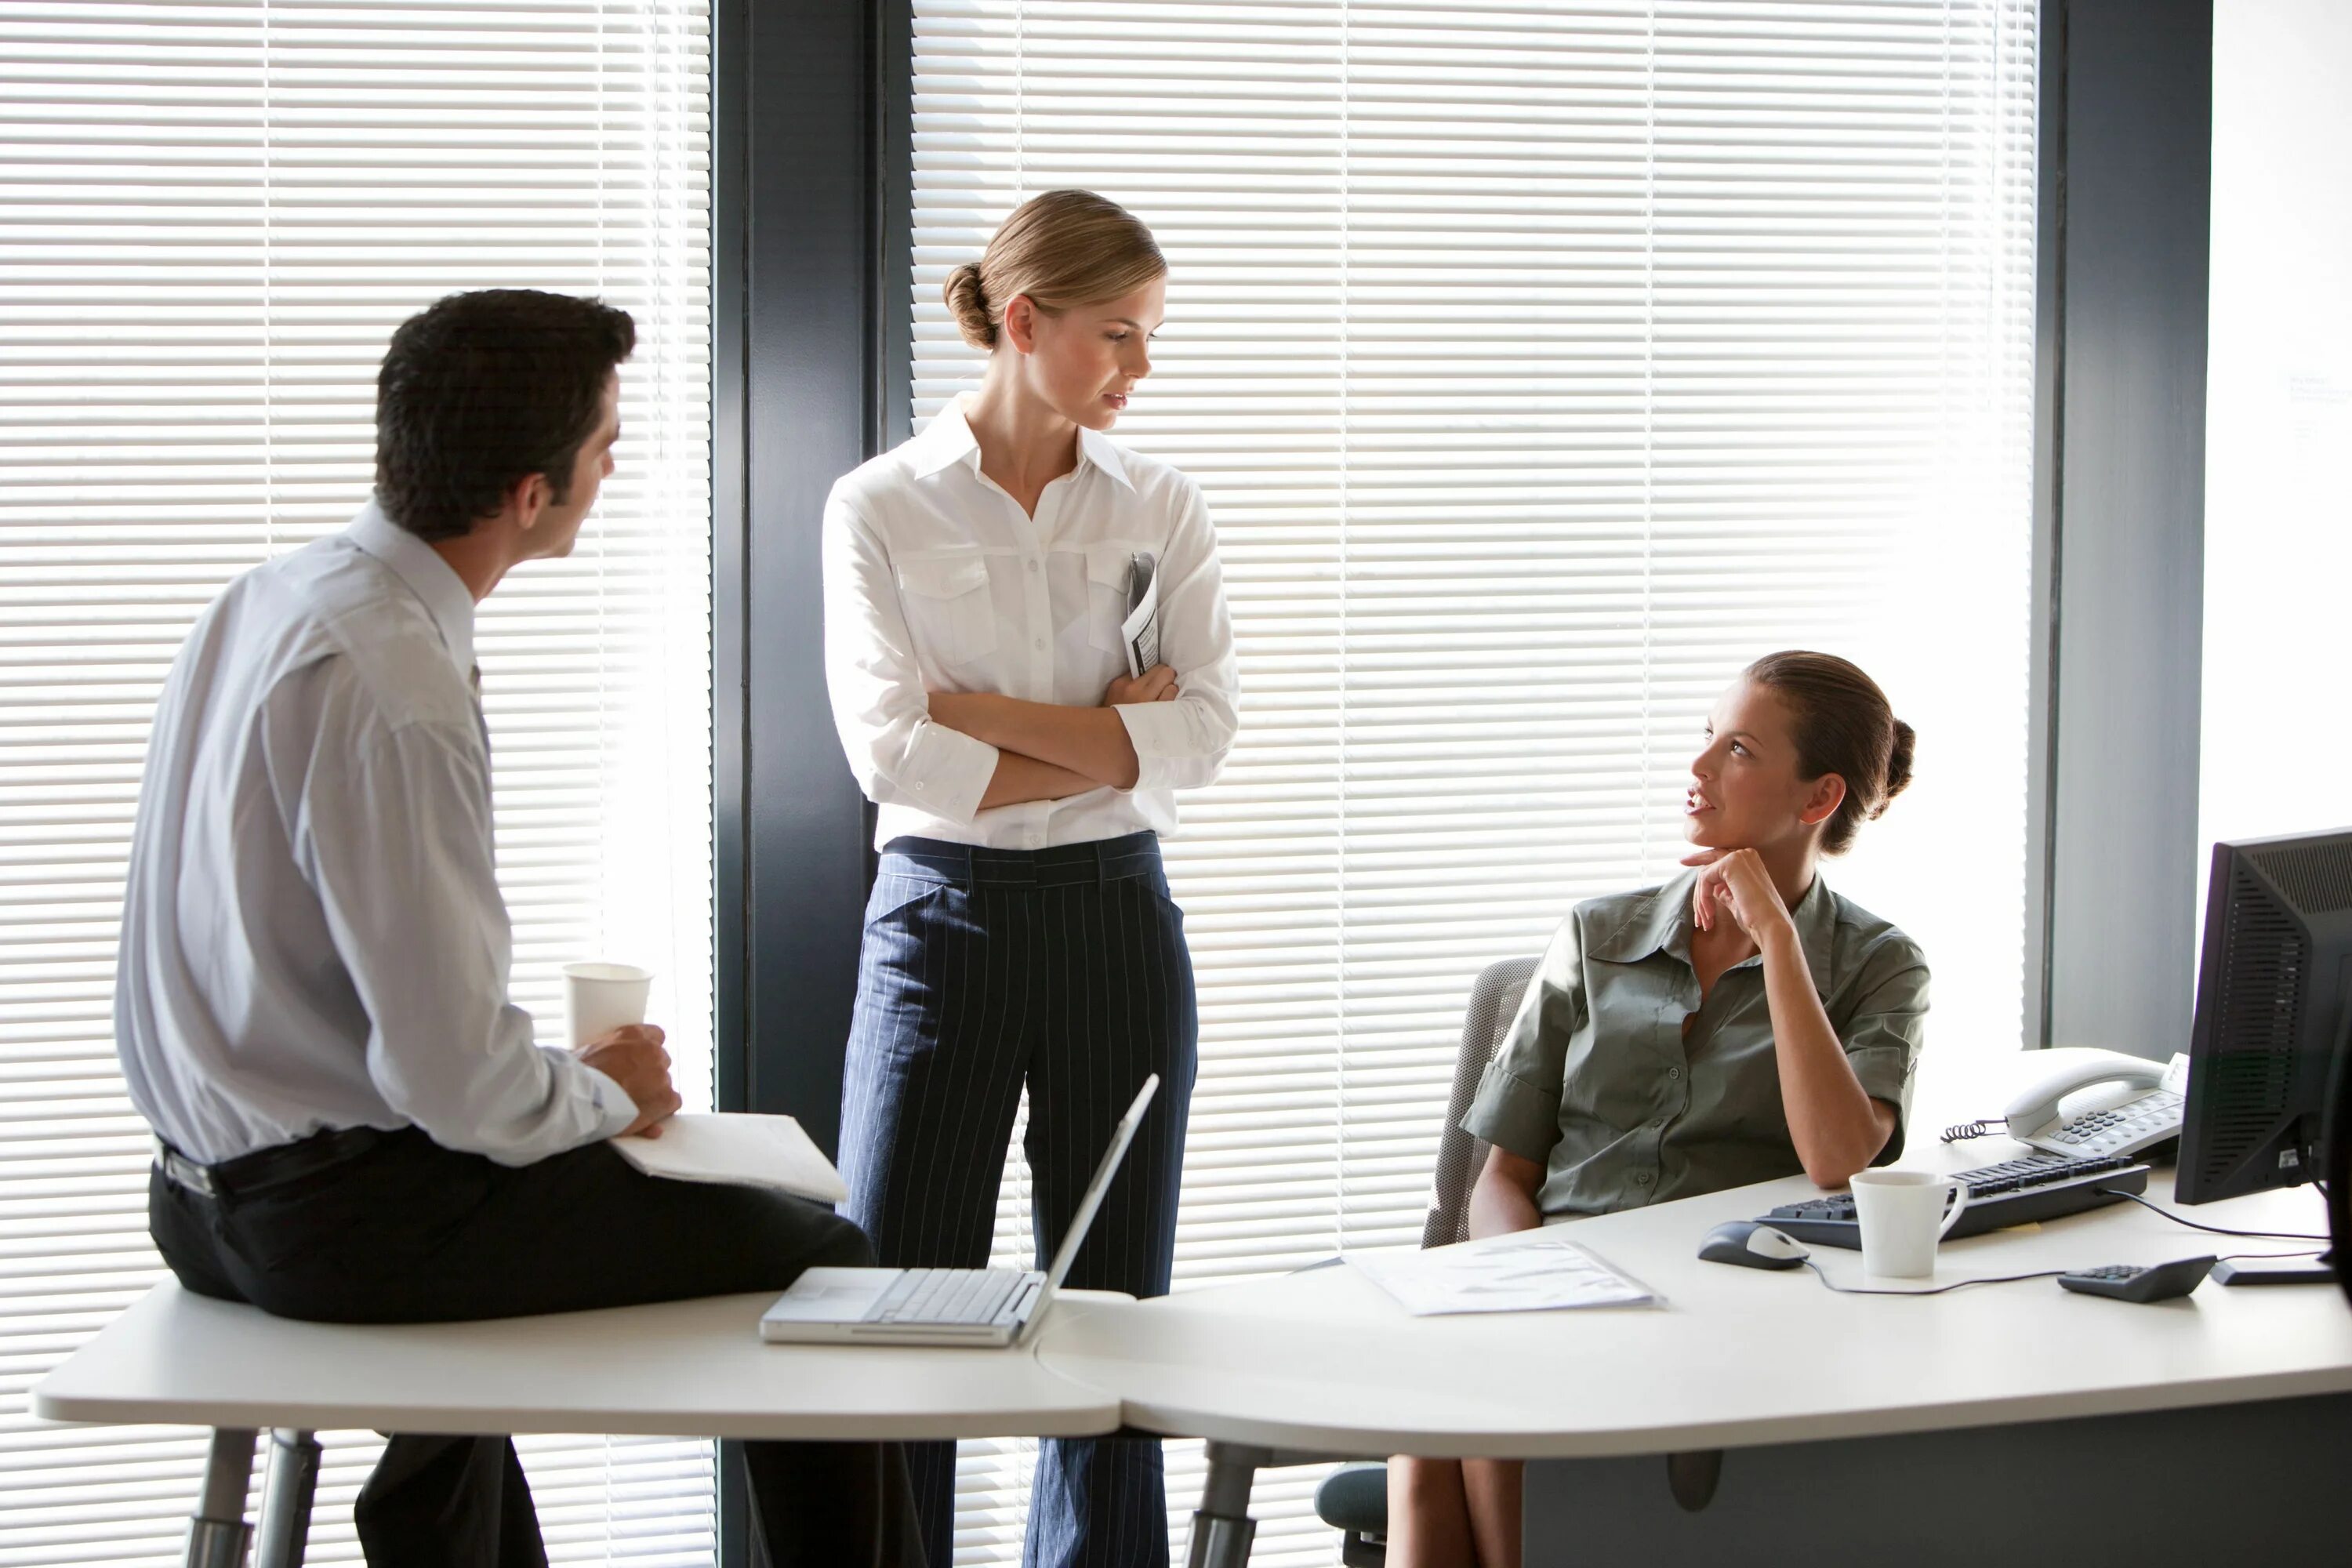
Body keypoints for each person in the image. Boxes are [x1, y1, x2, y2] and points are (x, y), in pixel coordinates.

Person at [116, 289, 923, 1568]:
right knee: (817, 1252)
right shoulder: (399, 685)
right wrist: (597, 1095)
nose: (616, 461)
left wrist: (550, 1096)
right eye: (606, 439)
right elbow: (453, 1088)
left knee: (502, 1220)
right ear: (532, 496)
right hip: (334, 1229)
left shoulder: (268, 599)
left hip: (194, 1196)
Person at [822, 189, 1240, 1568]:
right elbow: (895, 753)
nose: (1139, 369)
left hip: (1119, 918)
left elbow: (1202, 734)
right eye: (1118, 335)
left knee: (1112, 1317)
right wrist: (1112, 738)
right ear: (1024, 321)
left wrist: (987, 715)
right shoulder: (876, 505)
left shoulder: (1162, 504)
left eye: (1150, 337)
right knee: (903, 1310)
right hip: (937, 920)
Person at [1388, 651, 1930, 1568]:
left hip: (1733, 1320)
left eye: (1741, 749)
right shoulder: (1597, 933)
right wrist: (1537, 1287)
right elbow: (1500, 1181)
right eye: (1706, 735)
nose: (1701, 766)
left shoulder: (1882, 964)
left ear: (1818, 796)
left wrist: (1778, 942)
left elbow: (1842, 1158)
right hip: (1562, 1292)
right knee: (1442, 1406)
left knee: (1473, 1409)